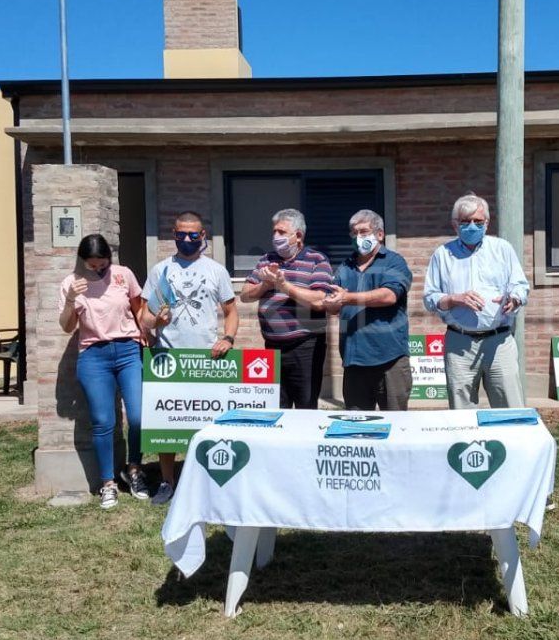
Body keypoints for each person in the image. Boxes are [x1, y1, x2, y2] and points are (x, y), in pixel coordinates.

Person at [139, 211, 238, 504]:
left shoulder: (216, 271)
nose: (187, 239)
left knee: (208, 422)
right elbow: (145, 317)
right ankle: (167, 481)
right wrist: (157, 322)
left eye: (193, 235)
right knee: (166, 423)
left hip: (207, 359)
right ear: (173, 234)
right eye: (181, 234)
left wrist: (228, 339)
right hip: (167, 358)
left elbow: (231, 312)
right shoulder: (160, 271)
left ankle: (208, 480)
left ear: (203, 236)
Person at [58, 234, 149, 509]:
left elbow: (139, 309)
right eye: (92, 265)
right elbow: (67, 326)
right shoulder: (71, 283)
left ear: (110, 258)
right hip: (94, 356)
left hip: (128, 350)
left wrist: (148, 330)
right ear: (82, 261)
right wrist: (71, 299)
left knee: (138, 416)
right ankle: (108, 483)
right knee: (102, 421)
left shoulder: (123, 274)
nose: (98, 269)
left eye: (102, 264)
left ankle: (134, 469)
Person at [423, 192, 530, 409]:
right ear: (455, 224)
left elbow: (520, 285)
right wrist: (454, 298)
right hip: (459, 343)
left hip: (499, 341)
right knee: (462, 413)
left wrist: (515, 299)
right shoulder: (442, 254)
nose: (472, 226)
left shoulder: (502, 249)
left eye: (478, 221)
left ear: (487, 223)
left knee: (510, 408)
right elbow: (429, 297)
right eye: (466, 221)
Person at [318, 209, 413, 410]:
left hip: (389, 360)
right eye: (354, 233)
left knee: (396, 422)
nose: (358, 237)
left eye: (363, 232)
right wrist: (331, 304)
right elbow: (333, 303)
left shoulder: (394, 261)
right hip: (354, 360)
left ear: (380, 234)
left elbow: (389, 296)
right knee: (357, 424)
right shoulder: (345, 266)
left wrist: (347, 298)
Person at [239, 208, 333, 409]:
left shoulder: (317, 260)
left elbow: (319, 300)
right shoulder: (267, 259)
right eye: (274, 231)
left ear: (298, 236)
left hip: (305, 347)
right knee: (277, 407)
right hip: (272, 347)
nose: (275, 236)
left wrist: (284, 286)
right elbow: (245, 295)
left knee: (305, 406)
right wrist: (266, 284)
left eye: (281, 232)